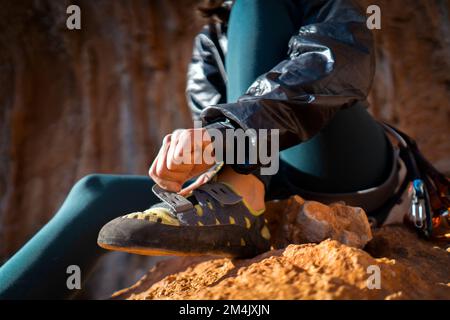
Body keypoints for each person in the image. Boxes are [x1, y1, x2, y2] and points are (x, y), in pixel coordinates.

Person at [0, 0, 396, 299]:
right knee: (95, 194)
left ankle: (242, 194)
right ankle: (240, 202)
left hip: (337, 163)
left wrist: (226, 132)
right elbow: (209, 126)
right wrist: (197, 159)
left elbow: (337, 66)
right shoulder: (211, 42)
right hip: (265, 175)